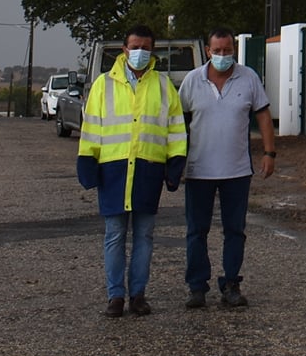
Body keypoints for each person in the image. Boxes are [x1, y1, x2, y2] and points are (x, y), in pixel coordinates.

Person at [76, 24, 187, 317]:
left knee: (144, 236)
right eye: (134, 47)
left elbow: (176, 128)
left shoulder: (163, 86)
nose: (139, 52)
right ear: (124, 50)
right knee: (114, 235)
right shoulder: (104, 84)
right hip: (113, 172)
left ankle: (138, 295)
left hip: (148, 171)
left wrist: (175, 162)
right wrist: (87, 161)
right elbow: (91, 126)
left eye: (145, 47)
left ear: (153, 50)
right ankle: (115, 296)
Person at [177, 27, 277, 309]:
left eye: (228, 50)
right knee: (196, 231)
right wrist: (176, 159)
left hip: (237, 171)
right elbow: (177, 121)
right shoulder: (192, 81)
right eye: (217, 50)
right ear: (208, 51)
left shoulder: (249, 78)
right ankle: (197, 287)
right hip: (199, 170)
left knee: (235, 230)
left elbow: (263, 116)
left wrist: (269, 152)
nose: (223, 55)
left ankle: (231, 284)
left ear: (234, 49)